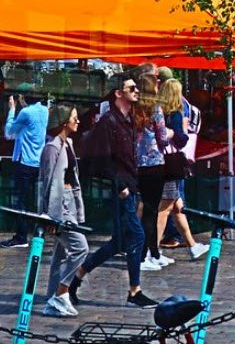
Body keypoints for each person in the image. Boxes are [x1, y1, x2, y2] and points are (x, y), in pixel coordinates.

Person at [70, 74, 159, 309]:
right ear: (119, 93)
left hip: (130, 184)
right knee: (138, 236)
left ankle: (76, 277)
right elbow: (103, 158)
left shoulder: (128, 119)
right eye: (131, 88)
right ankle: (134, 292)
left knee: (119, 243)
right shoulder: (109, 121)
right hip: (122, 188)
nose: (136, 91)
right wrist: (120, 186)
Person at [39, 104, 89, 317]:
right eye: (74, 118)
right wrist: (48, 215)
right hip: (59, 206)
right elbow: (47, 182)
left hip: (69, 202)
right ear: (63, 121)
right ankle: (61, 292)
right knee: (80, 248)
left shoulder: (67, 143)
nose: (77, 121)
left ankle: (53, 299)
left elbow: (72, 179)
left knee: (60, 255)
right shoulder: (52, 148)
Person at [155, 79, 209, 260]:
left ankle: (193, 246)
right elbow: (180, 140)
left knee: (178, 207)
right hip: (171, 164)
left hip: (163, 162)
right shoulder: (175, 114)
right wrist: (183, 131)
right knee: (164, 210)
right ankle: (151, 253)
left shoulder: (160, 112)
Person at [0, 92, 50, 248]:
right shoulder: (44, 111)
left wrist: (11, 110)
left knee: (19, 200)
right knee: (35, 201)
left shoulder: (25, 112)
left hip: (25, 163)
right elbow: (24, 131)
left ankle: (21, 237)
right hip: (39, 162)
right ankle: (37, 233)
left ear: (23, 99)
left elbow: (9, 132)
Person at [134, 74, 173, 270]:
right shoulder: (155, 109)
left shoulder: (133, 109)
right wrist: (172, 133)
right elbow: (163, 138)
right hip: (155, 162)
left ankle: (154, 253)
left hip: (137, 163)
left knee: (147, 209)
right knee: (151, 211)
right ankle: (143, 256)